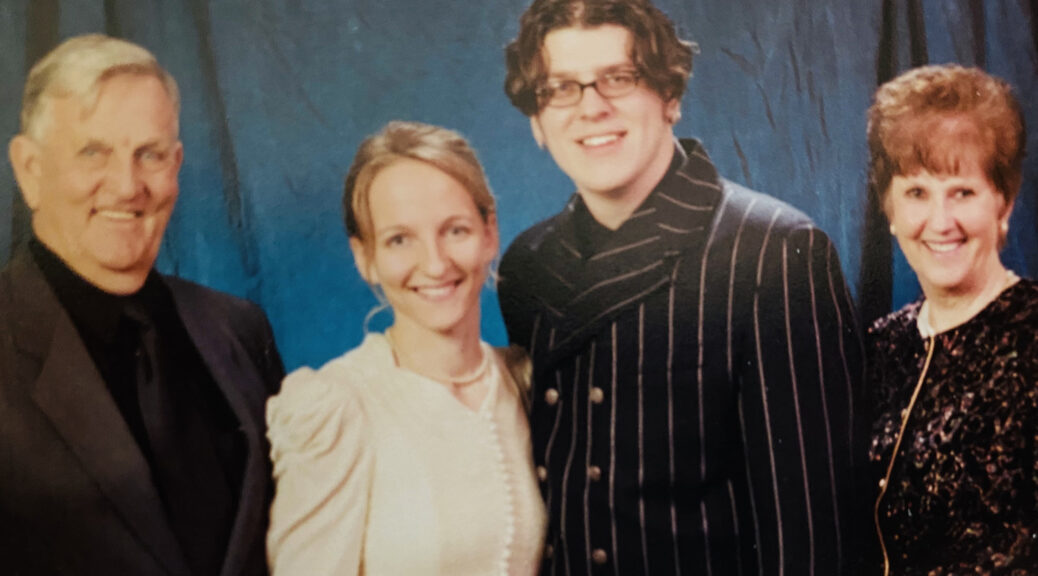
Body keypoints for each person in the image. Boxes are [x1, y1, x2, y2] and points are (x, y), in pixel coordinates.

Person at [498, 0, 865, 573]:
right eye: (562, 88)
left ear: (670, 97)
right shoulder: (528, 265)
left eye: (619, 79)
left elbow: (814, 535)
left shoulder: (774, 251)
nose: (591, 107)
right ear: (537, 120)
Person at [0, 34, 284, 576]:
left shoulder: (240, 330)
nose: (128, 186)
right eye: (94, 152)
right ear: (30, 169)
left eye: (149, 155)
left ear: (176, 165)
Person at [266, 121, 546, 575]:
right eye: (400, 239)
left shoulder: (523, 381)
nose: (435, 264)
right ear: (366, 258)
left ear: (489, 232)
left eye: (455, 230)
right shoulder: (337, 407)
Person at [865, 64, 1037, 575]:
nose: (941, 223)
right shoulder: (883, 344)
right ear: (889, 209)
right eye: (917, 192)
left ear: (1002, 202)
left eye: (962, 191)